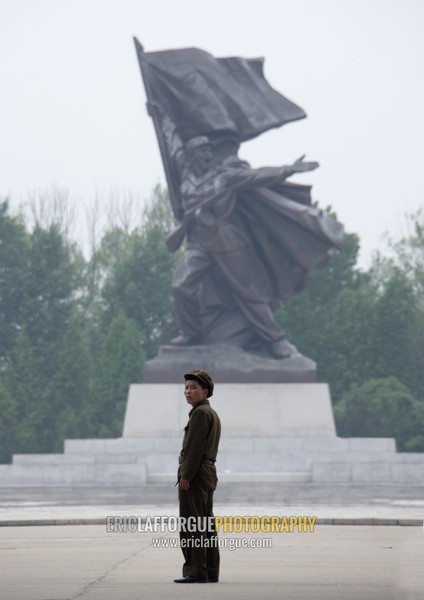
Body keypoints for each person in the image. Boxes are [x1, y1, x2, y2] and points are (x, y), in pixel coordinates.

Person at [170, 135, 320, 358]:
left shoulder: (224, 178)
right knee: (180, 286)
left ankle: (275, 340)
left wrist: (289, 169)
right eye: (203, 152)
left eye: (210, 151)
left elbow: (257, 176)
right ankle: (190, 333)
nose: (208, 156)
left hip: (225, 241)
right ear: (192, 156)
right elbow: (171, 140)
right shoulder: (185, 177)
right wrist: (158, 111)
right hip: (198, 243)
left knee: (249, 292)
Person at [174, 370, 221, 584]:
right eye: (186, 387)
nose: (188, 391)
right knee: (205, 524)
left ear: (205, 391)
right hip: (207, 472)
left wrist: (186, 475)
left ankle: (196, 571)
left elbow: (194, 448)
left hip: (197, 474)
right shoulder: (209, 413)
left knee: (192, 524)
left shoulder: (200, 414)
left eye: (193, 387)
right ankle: (210, 570)